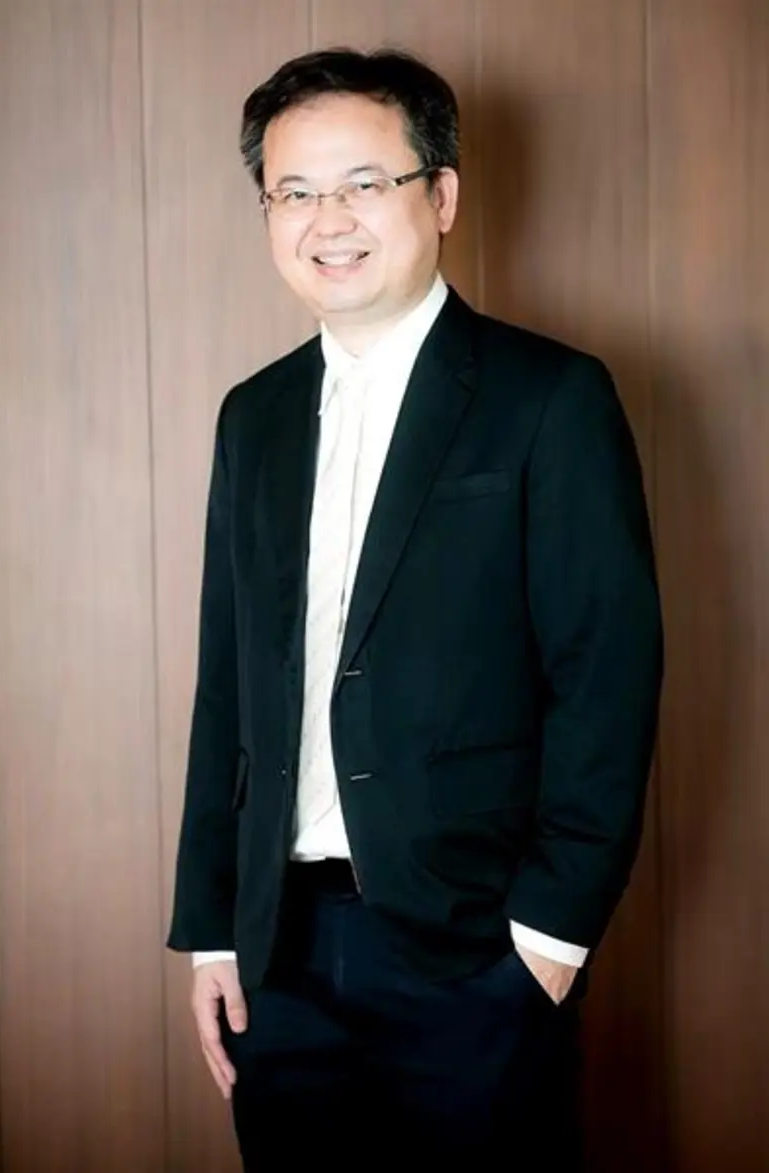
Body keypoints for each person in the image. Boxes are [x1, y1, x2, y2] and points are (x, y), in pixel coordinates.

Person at [167, 46, 663, 1169]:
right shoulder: (255, 417)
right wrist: (212, 931)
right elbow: (227, 683)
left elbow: (607, 676)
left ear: (440, 195)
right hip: (279, 957)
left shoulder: (550, 396)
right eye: (293, 192)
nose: (326, 219)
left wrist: (546, 940)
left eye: (363, 183)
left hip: (477, 952)